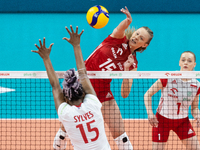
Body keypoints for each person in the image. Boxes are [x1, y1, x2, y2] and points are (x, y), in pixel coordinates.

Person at [54, 6, 154, 150]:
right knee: (64, 131)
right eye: (137, 33)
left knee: (122, 137)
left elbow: (125, 94)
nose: (136, 37)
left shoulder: (133, 63)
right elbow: (120, 28)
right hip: (80, 89)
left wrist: (126, 69)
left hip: (102, 92)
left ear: (144, 45)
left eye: (141, 38)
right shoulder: (117, 38)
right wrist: (127, 21)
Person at [32, 25, 111, 150]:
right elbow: (83, 73)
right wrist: (76, 45)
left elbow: (55, 87)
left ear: (66, 99)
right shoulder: (93, 103)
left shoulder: (66, 113)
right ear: (83, 93)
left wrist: (46, 58)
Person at [144, 51, 200, 150]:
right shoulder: (168, 78)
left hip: (182, 122)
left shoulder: (196, 85)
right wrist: (149, 112)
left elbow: (194, 107)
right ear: (179, 63)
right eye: (183, 60)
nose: (185, 63)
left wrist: (198, 115)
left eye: (189, 61)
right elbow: (148, 94)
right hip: (161, 121)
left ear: (194, 64)